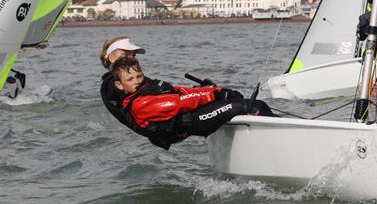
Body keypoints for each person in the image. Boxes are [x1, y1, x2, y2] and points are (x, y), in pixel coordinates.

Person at [101, 56, 274, 150]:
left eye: (139, 76)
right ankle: (276, 145)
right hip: (193, 123)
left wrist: (218, 91)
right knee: (253, 106)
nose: (137, 81)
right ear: (119, 85)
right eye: (130, 79)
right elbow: (180, 102)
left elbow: (183, 91)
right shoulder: (139, 104)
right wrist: (213, 95)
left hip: (194, 116)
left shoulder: (147, 87)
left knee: (236, 99)